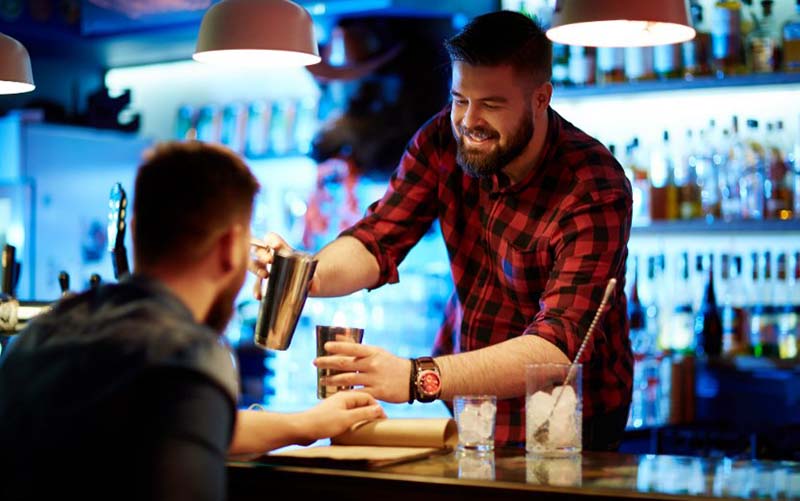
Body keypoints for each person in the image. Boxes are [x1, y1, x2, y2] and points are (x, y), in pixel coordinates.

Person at [252, 10, 633, 451]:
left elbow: (557, 348)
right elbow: (378, 239)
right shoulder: (440, 141)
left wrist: (416, 377)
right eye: (460, 99)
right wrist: (306, 273)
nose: (469, 121)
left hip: (572, 419)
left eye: (491, 104)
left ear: (540, 98)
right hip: (473, 405)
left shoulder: (593, 184)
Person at [0, 141, 384, 501]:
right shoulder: (187, 353)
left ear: (134, 233)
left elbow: (179, 422)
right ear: (230, 247)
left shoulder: (44, 332)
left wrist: (305, 426)